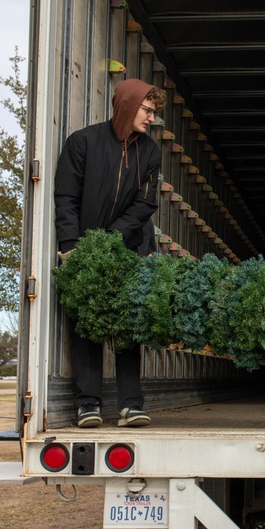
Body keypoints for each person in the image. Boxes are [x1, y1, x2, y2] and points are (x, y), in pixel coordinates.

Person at [54, 79, 165, 428]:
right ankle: (88, 404)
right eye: (148, 111)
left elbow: (146, 203)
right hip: (82, 251)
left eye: (154, 113)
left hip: (130, 247)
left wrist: (111, 242)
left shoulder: (150, 152)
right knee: (86, 324)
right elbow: (66, 198)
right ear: (129, 105)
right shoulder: (82, 143)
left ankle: (131, 405)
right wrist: (71, 247)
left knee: (127, 326)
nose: (151, 119)